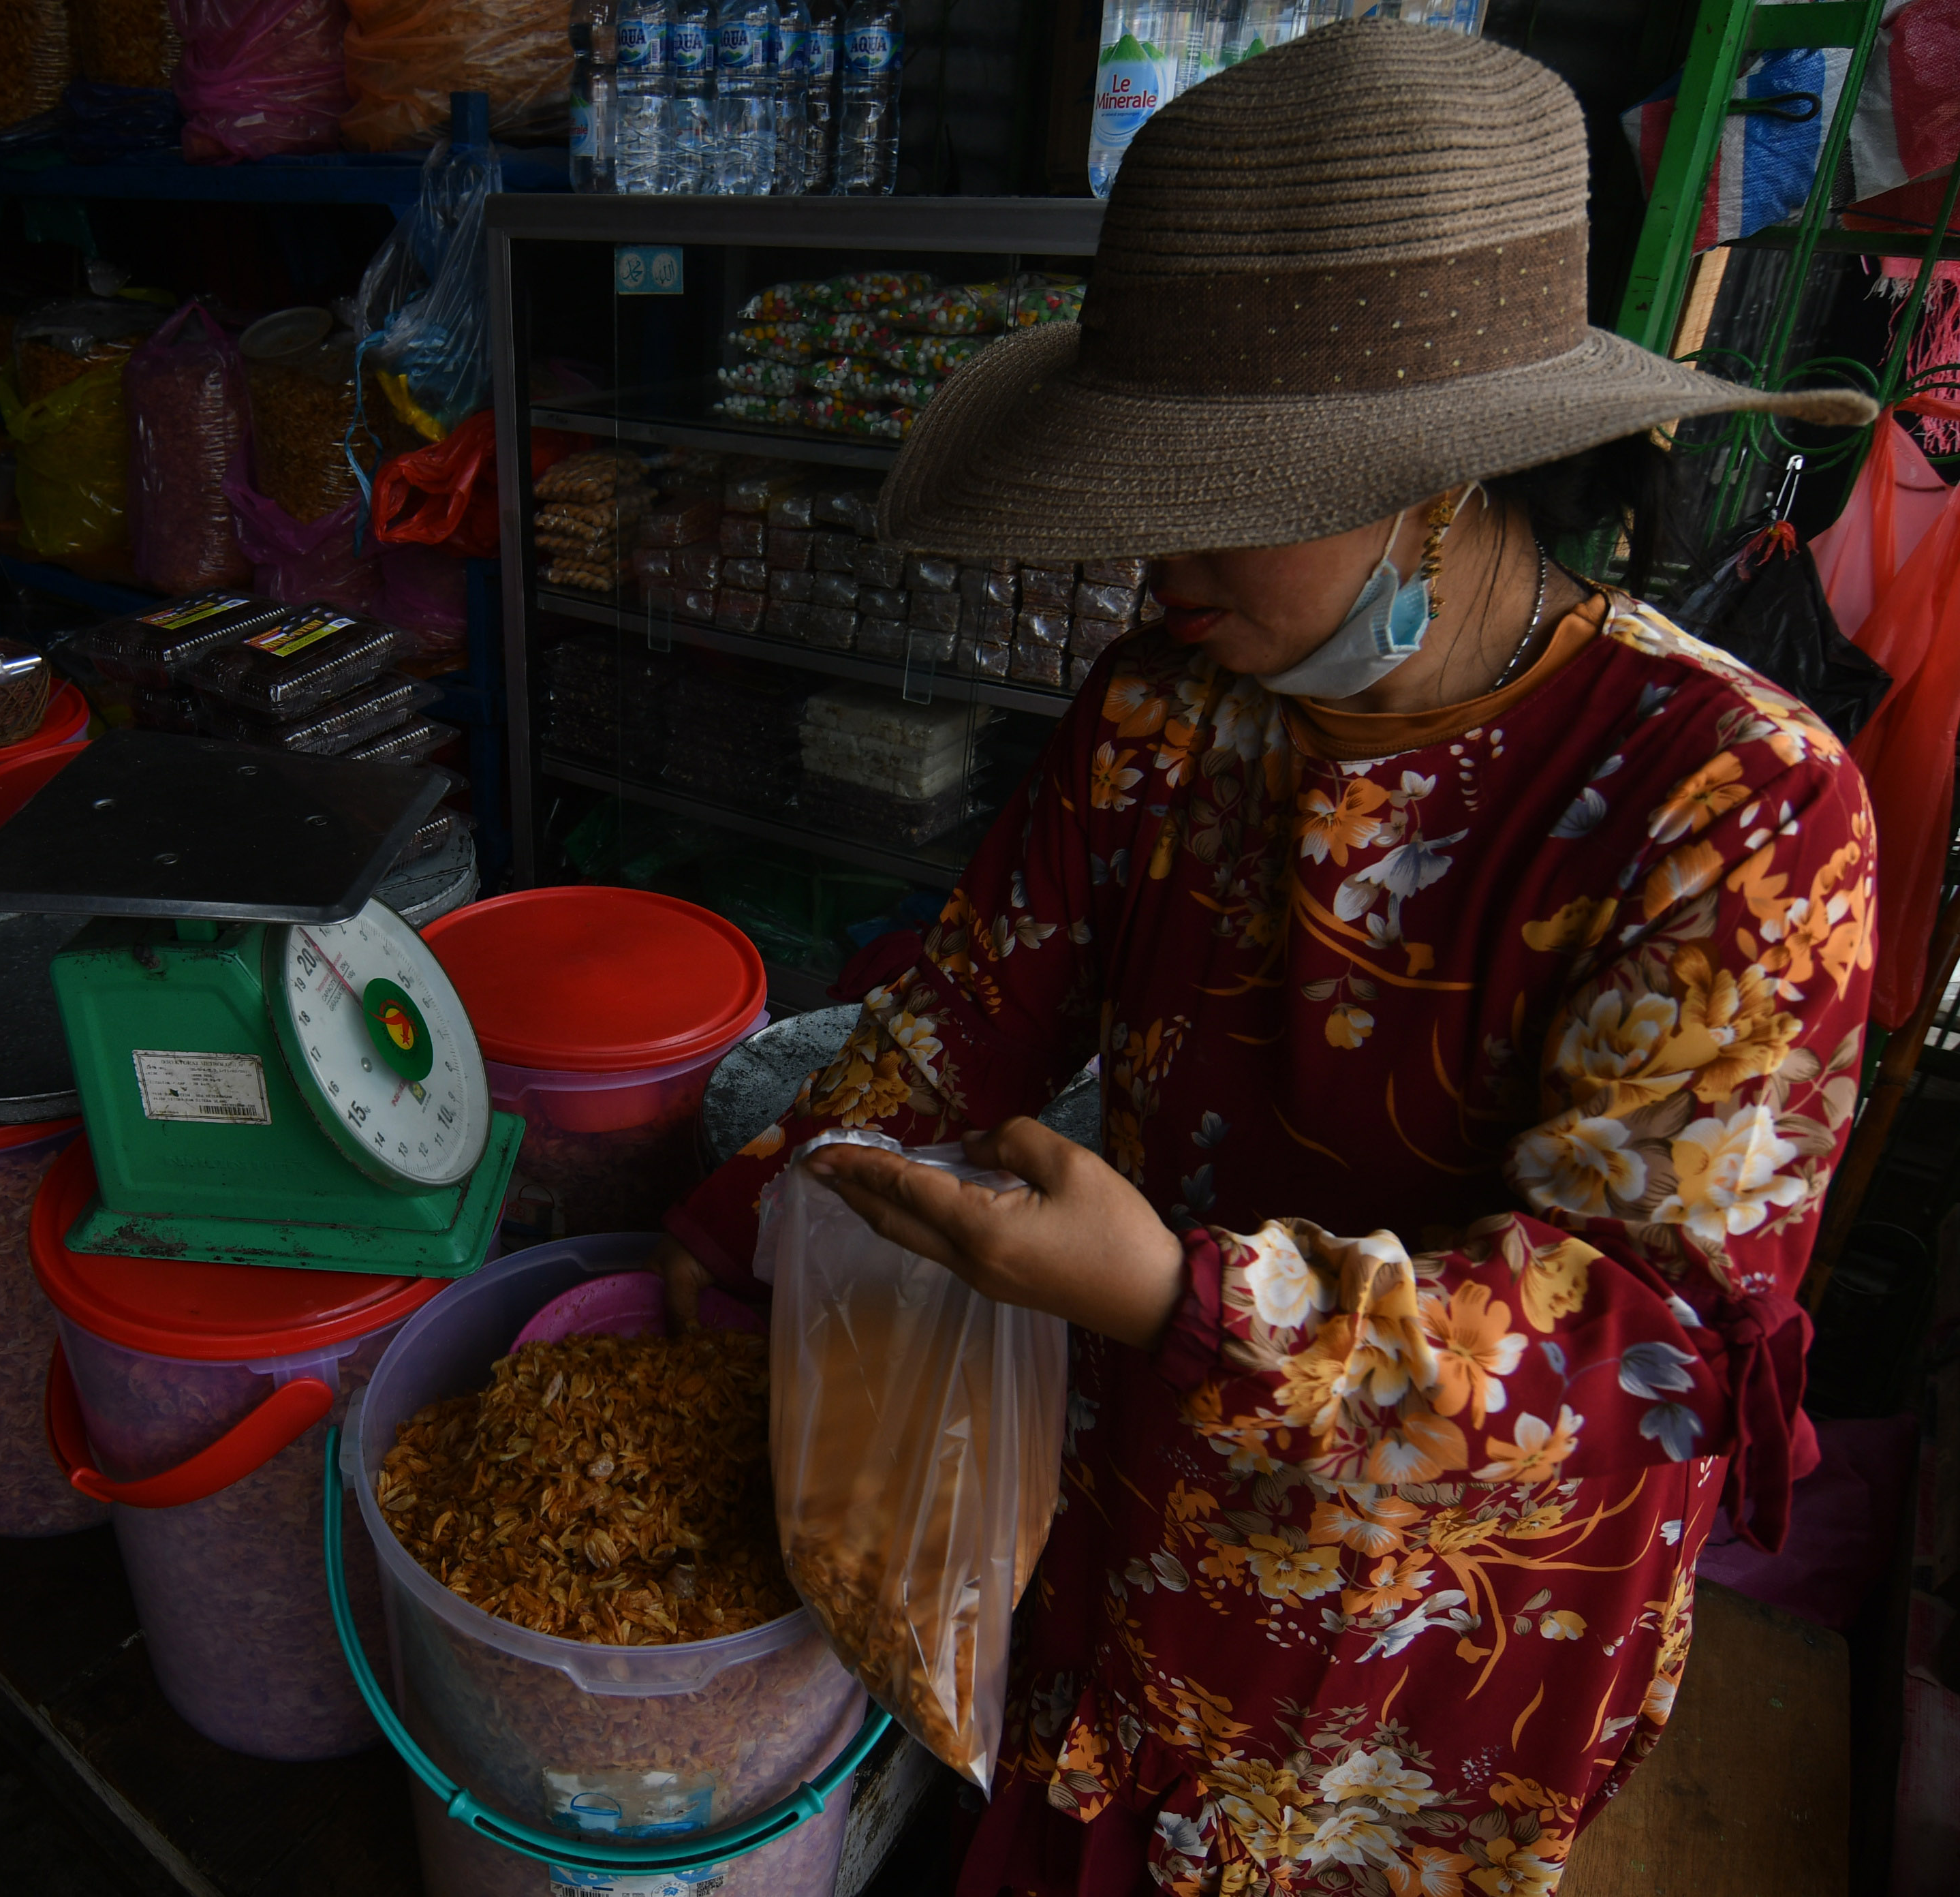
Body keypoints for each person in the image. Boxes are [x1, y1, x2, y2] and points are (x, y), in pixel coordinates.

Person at [653, 22, 1881, 1896]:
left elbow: (1643, 1358)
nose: (1155, 571)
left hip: (1442, 1641)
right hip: (1145, 1505)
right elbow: (972, 1007)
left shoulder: (1733, 804)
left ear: (1441, 478)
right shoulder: (1169, 714)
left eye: (1217, 491)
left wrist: (1189, 1303)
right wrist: (766, 1203)